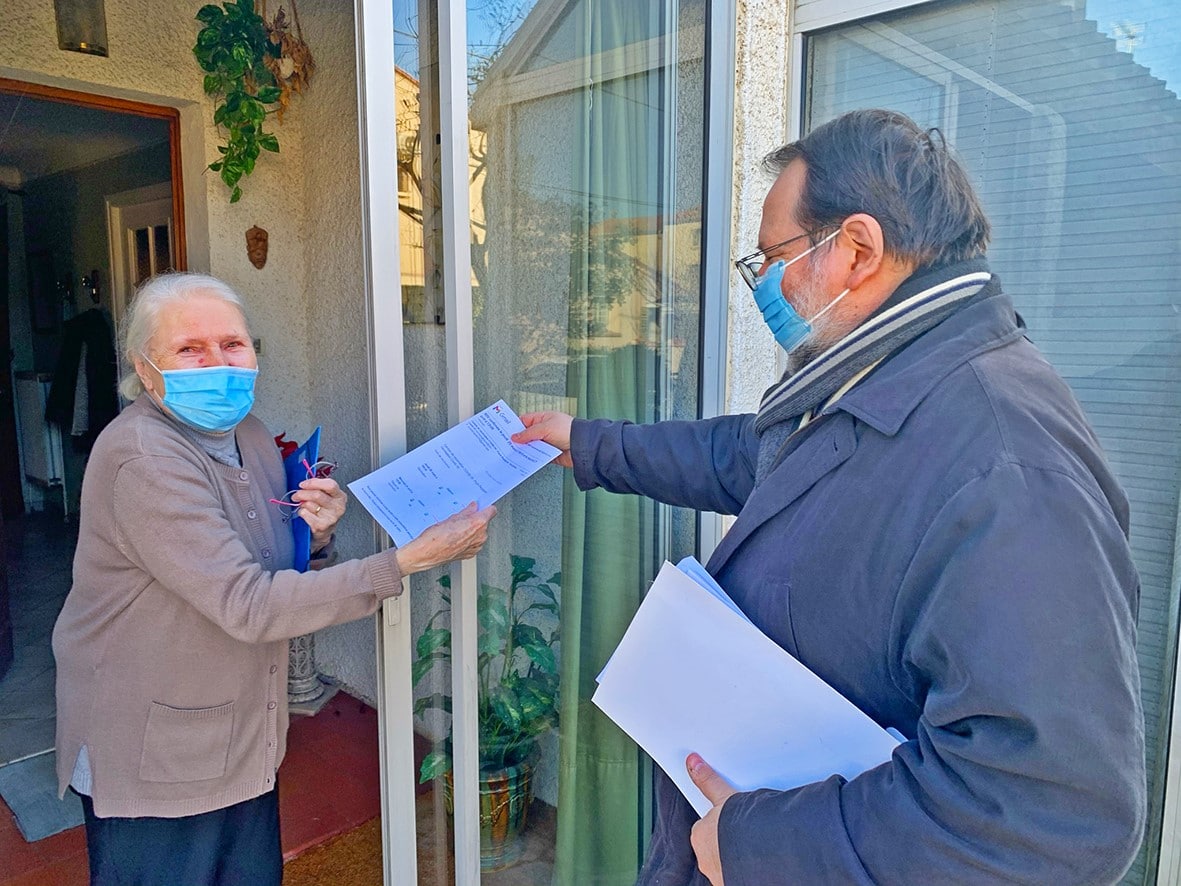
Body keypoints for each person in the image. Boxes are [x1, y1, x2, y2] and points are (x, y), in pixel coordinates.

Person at [514, 109, 1145, 884]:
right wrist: (589, 443)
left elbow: (1045, 820)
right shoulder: (881, 374)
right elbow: (755, 457)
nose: (764, 285)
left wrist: (758, 846)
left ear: (855, 249)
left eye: (772, 257)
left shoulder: (1006, 467)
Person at [52, 272, 495, 885]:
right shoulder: (143, 455)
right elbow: (249, 604)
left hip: (239, 738)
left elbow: (264, 560)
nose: (218, 362)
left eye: (233, 343)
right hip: (154, 757)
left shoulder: (251, 437)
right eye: (189, 349)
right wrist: (404, 562)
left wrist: (313, 537)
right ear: (145, 369)